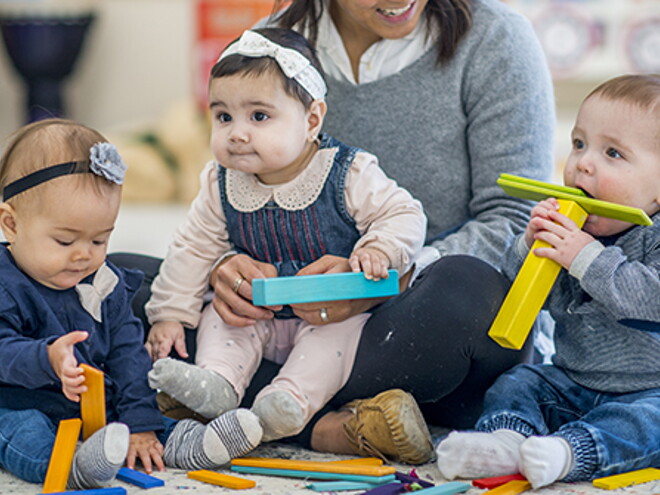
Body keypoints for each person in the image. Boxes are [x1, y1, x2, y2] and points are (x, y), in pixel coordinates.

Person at [140, 0, 555, 464]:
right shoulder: (268, 47)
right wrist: (223, 267)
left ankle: (286, 419)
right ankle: (335, 424)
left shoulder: (496, 39)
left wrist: (382, 281)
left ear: (314, 117)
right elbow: (220, 206)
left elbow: (519, 220)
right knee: (118, 284)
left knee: (471, 291)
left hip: (411, 325)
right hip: (274, 318)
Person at [144, 27, 428, 459]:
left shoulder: (347, 172)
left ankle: (288, 403)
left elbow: (404, 214)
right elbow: (192, 248)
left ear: (312, 120)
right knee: (217, 320)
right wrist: (169, 314)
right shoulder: (220, 182)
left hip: (328, 315)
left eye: (259, 117)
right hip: (254, 311)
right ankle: (217, 385)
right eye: (223, 117)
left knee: (330, 345)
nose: (237, 133)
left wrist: (379, 249)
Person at [0, 119, 264, 489]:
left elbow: (128, 354)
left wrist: (141, 424)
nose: (83, 256)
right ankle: (73, 466)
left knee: (138, 418)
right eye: (64, 241)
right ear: (11, 224)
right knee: (23, 432)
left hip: (92, 406)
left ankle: (191, 442)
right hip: (18, 403)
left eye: (99, 241)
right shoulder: (5, 283)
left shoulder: (103, 282)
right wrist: (46, 358)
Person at [435, 74, 660, 487]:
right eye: (578, 144)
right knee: (522, 381)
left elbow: (649, 297)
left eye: (613, 153)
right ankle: (505, 439)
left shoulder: (651, 237)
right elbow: (531, 298)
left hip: (648, 391)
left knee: (649, 423)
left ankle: (571, 453)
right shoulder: (576, 230)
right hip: (571, 379)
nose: (582, 163)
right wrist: (530, 247)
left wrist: (585, 257)